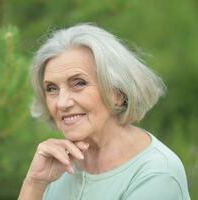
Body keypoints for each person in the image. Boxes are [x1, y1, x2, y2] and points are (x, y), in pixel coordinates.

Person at [18, 23, 191, 200]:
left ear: (117, 92)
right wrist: (34, 183)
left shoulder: (157, 174)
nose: (62, 103)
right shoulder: (56, 166)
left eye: (78, 83)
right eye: (52, 88)